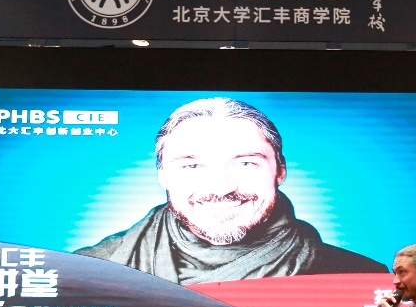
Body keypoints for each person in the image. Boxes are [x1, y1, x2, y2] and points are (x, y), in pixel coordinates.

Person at [76, 97, 386, 284]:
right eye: (192, 166)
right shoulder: (86, 273)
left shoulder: (360, 278)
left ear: (280, 170)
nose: (220, 188)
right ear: (163, 177)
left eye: (246, 163)